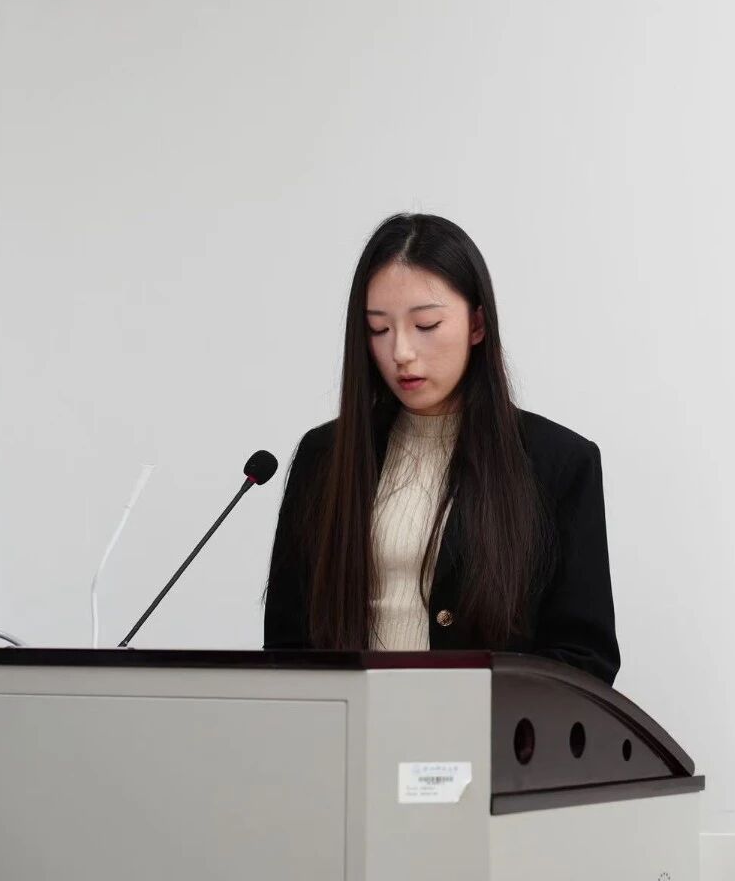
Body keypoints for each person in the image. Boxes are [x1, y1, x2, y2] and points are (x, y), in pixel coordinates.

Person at [263, 213, 619, 684]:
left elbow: (584, 657)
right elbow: (286, 649)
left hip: (488, 729)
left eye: (426, 324)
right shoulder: (324, 457)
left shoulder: (557, 462)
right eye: (378, 329)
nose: (401, 352)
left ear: (477, 324)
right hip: (348, 727)